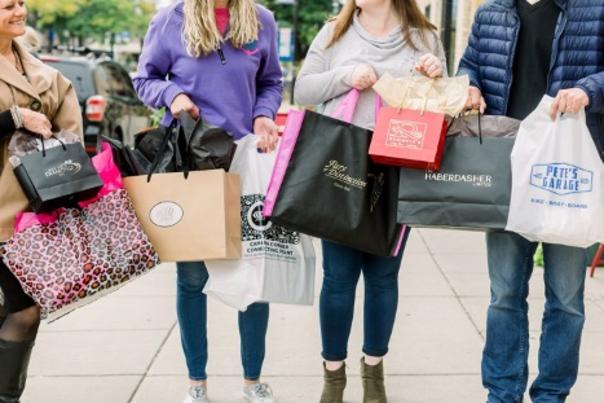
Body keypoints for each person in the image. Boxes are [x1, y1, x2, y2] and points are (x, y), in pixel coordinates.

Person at [294, 1, 445, 402]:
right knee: (339, 279)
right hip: (341, 170)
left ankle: (374, 373)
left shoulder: (424, 36)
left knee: (383, 278)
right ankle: (333, 378)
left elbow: (443, 111)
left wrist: (436, 78)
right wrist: (347, 76)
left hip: (398, 171)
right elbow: (303, 89)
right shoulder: (335, 33)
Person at [133, 1, 282, 402]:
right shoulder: (170, 19)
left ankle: (254, 382)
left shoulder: (261, 20)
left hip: (246, 163)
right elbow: (144, 79)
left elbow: (271, 82)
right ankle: (196, 384)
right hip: (191, 164)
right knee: (193, 280)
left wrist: (264, 114)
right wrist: (173, 94)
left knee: (254, 278)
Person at [457, 0, 604, 402]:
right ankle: (502, 393)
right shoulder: (491, 13)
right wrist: (468, 85)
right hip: (504, 174)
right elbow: (468, 65)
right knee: (504, 294)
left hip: (567, 176)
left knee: (567, 299)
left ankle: (551, 395)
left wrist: (588, 90)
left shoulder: (595, 10)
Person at [0, 0, 82, 401]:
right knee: (24, 310)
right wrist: (15, 118)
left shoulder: (47, 74)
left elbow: (73, 138)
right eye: (6, 6)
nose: (19, 11)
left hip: (33, 214)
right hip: (0, 213)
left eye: (21, 3)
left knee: (17, 309)